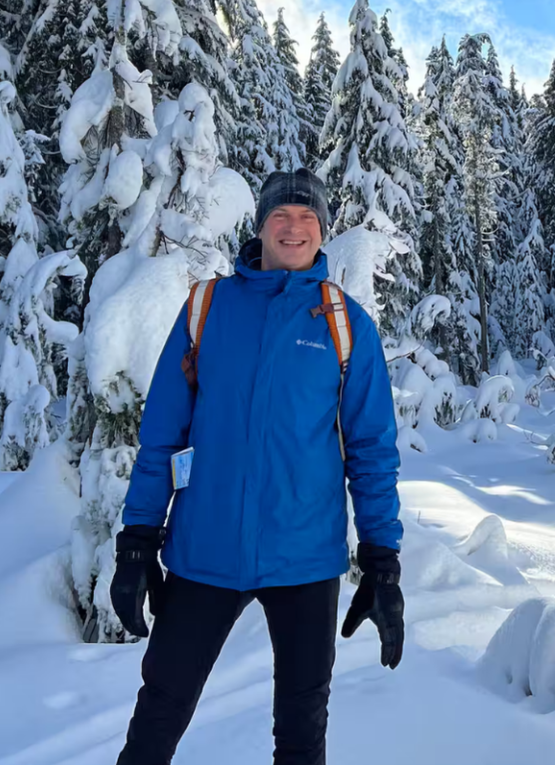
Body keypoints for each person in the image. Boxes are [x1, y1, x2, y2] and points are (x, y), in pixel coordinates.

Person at [110, 168, 404, 765]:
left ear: (322, 231)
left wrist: (382, 559)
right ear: (262, 223)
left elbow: (371, 450)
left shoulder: (346, 325)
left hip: (305, 559)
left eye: (308, 218)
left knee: (301, 731)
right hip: (205, 551)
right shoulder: (206, 308)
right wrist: (138, 538)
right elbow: (163, 433)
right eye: (281, 216)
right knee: (158, 714)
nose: (294, 228)